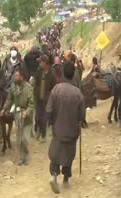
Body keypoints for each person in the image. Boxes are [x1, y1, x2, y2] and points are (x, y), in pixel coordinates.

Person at [46, 62, 85, 194]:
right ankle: (66, 180)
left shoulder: (56, 89)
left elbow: (49, 109)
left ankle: (53, 175)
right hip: (72, 130)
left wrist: (51, 122)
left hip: (58, 129)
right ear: (73, 75)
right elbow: (81, 115)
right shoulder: (78, 93)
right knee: (68, 155)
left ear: (63, 73)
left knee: (56, 154)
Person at [1, 69, 34, 165]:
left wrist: (27, 112)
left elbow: (31, 104)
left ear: (22, 77)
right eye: (14, 76)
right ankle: (21, 157)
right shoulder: (13, 86)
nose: (15, 77)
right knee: (19, 138)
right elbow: (9, 99)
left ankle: (26, 156)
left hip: (26, 117)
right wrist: (4, 109)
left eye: (17, 76)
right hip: (17, 115)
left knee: (25, 139)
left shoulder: (29, 88)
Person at [34, 55, 57, 143]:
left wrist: (50, 97)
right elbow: (36, 83)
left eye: (41, 62)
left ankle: (43, 135)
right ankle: (39, 131)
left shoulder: (52, 73)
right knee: (38, 117)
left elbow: (54, 87)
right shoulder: (39, 71)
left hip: (46, 100)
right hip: (38, 98)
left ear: (45, 63)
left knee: (44, 117)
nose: (39, 63)